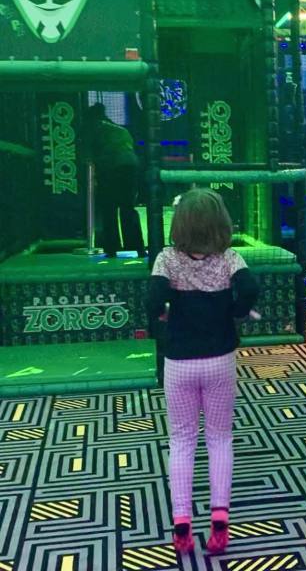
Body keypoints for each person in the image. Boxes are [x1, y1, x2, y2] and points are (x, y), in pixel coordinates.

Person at [146, 189, 260, 555]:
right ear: (219, 223)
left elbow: (151, 301)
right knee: (219, 439)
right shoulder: (229, 259)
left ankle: (181, 523)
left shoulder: (167, 259)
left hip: (179, 363)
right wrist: (235, 311)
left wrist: (163, 316)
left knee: (181, 441)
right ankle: (220, 522)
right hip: (219, 361)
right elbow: (251, 289)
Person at [84, 103, 145, 258]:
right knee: (127, 209)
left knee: (108, 210)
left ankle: (111, 249)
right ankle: (137, 248)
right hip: (129, 167)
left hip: (110, 169)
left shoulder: (93, 128)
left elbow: (87, 156)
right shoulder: (119, 129)